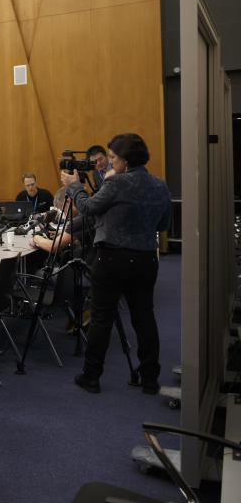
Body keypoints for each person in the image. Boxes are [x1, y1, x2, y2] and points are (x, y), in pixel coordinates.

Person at [61, 133, 170, 395]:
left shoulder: (117, 184)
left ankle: (91, 376)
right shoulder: (160, 185)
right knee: (144, 317)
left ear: (125, 160)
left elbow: (87, 208)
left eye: (112, 157)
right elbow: (164, 225)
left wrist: (74, 186)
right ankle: (150, 379)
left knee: (101, 318)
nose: (109, 162)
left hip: (112, 259)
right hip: (145, 259)